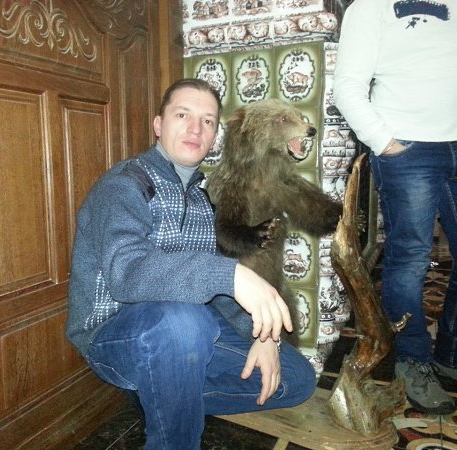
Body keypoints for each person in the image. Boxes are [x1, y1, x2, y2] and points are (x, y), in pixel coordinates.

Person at [65, 78, 316, 449]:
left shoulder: (201, 200)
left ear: (214, 136)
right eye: (183, 115)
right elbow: (126, 273)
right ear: (158, 125)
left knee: (295, 380)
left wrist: (263, 337)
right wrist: (231, 274)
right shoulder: (123, 185)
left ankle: (161, 389)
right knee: (184, 321)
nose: (196, 128)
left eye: (208, 121)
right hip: (113, 333)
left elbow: (218, 296)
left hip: (189, 328)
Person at [334, 0, 457, 415]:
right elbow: (347, 86)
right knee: (409, 262)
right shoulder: (370, 6)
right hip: (410, 150)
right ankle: (412, 360)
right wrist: (386, 144)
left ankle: (456, 357)